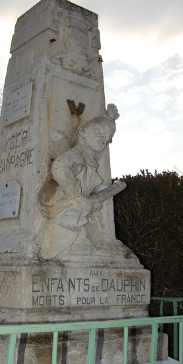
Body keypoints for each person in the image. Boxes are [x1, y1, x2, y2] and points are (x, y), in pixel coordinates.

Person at [38, 104, 126, 261]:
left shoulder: (88, 158)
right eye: (98, 132)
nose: (102, 137)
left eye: (105, 137)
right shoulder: (78, 155)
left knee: (80, 239)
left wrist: (111, 120)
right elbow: (59, 166)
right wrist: (77, 198)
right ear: (83, 133)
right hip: (62, 209)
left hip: (72, 212)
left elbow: (100, 151)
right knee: (73, 241)